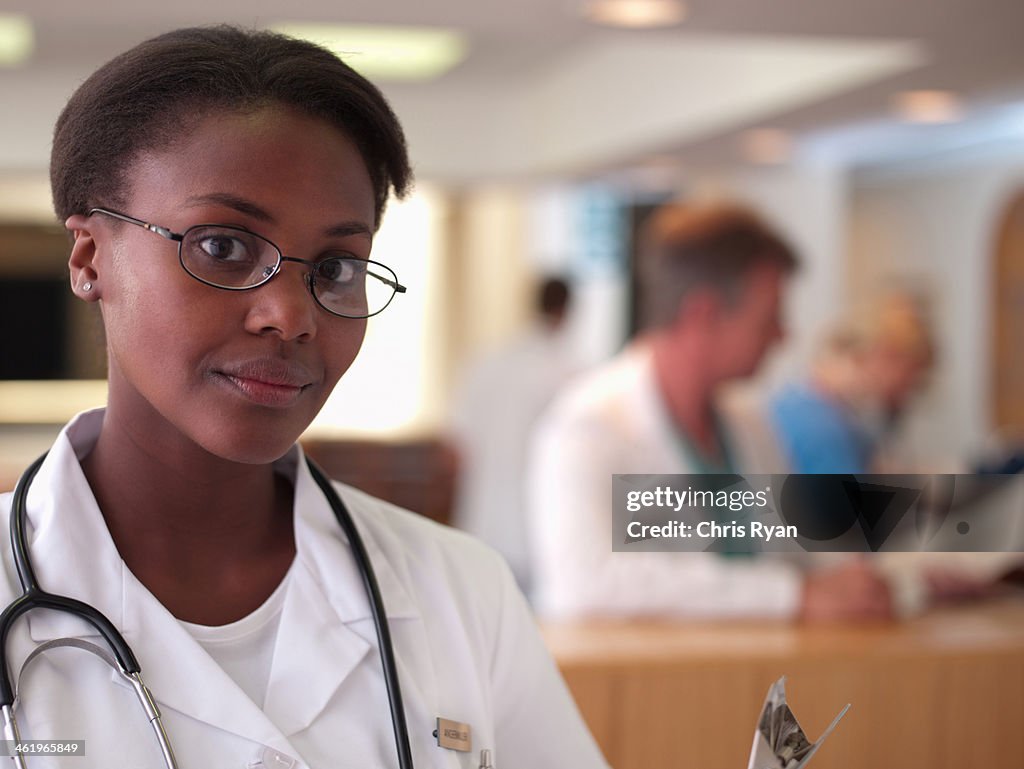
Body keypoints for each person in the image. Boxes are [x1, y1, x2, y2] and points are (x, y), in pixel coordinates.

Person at [0, 27, 608, 769]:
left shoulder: (461, 590)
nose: (291, 314)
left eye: (337, 267)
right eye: (223, 246)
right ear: (91, 257)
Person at [528, 201, 893, 621]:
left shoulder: (749, 425)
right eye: (768, 317)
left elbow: (792, 559)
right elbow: (584, 584)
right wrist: (789, 597)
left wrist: (878, 581)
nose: (782, 335)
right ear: (703, 314)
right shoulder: (588, 426)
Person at [448, 277, 578, 596]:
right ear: (566, 310)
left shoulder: (487, 362)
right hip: (538, 531)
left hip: (483, 525)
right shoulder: (569, 372)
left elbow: (455, 443)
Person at [770, 293, 936, 474]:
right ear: (884, 356)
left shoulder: (808, 401)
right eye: (908, 383)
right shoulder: (823, 428)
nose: (906, 396)